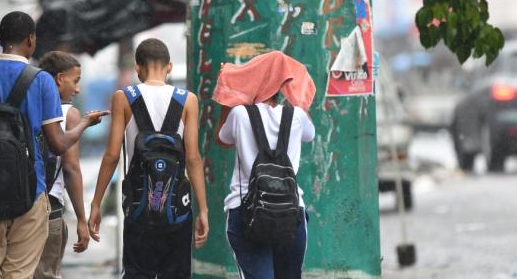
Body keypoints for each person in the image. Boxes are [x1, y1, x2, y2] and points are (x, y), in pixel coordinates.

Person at [0, 11, 107, 279]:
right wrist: (83, 125)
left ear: (0, 39)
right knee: (18, 274)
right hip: (29, 193)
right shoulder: (41, 80)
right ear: (31, 40)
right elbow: (58, 144)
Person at [88, 38, 209, 279]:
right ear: (170, 67)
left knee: (137, 273)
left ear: (138, 68)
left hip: (138, 207)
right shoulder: (188, 100)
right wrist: (203, 209)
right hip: (177, 209)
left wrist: (95, 204)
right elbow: (194, 158)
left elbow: (112, 155)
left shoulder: (124, 97)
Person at [215, 92, 315, 279]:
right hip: (291, 214)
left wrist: (228, 96)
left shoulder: (239, 113)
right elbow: (310, 134)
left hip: (246, 212)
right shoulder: (297, 115)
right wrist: (296, 96)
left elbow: (222, 139)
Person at [34, 51, 91, 279]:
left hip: (19, 206)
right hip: (50, 207)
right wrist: (82, 220)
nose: (77, 89)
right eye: (75, 80)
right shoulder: (68, 113)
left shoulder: (28, 105)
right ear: (59, 78)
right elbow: (70, 169)